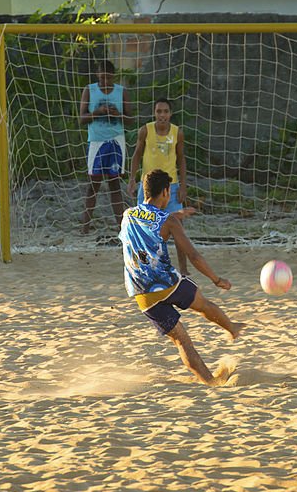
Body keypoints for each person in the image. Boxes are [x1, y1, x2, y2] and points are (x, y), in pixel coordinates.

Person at [120, 169, 243, 386]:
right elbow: (193, 256)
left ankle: (210, 381)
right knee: (203, 304)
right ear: (166, 191)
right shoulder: (169, 222)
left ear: (144, 190)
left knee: (181, 341)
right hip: (167, 284)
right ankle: (232, 328)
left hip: (141, 293)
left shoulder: (128, 215)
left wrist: (175, 217)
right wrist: (217, 279)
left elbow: (147, 220)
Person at [126, 97, 189, 275]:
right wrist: (132, 179)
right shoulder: (145, 131)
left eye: (165, 111)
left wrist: (183, 185)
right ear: (154, 113)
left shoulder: (177, 133)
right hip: (148, 187)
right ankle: (141, 265)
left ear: (171, 114)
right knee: (143, 228)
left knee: (178, 228)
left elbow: (181, 159)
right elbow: (137, 154)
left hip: (171, 187)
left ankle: (183, 268)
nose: (162, 115)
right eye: (159, 111)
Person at [79, 59, 134, 233]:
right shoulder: (89, 90)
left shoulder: (121, 92)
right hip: (96, 141)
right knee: (93, 184)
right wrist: (98, 112)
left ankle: (121, 227)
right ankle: (84, 227)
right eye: (102, 78)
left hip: (116, 141)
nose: (105, 82)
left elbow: (130, 120)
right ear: (97, 75)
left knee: (114, 184)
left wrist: (117, 115)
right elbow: (81, 119)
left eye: (108, 78)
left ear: (113, 77)